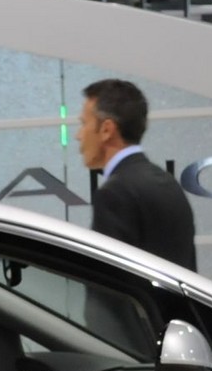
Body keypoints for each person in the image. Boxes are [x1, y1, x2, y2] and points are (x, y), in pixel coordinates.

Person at [77, 77, 197, 271]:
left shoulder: (114, 194)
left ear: (107, 129)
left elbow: (108, 288)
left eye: (83, 124)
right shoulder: (168, 184)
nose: (78, 135)